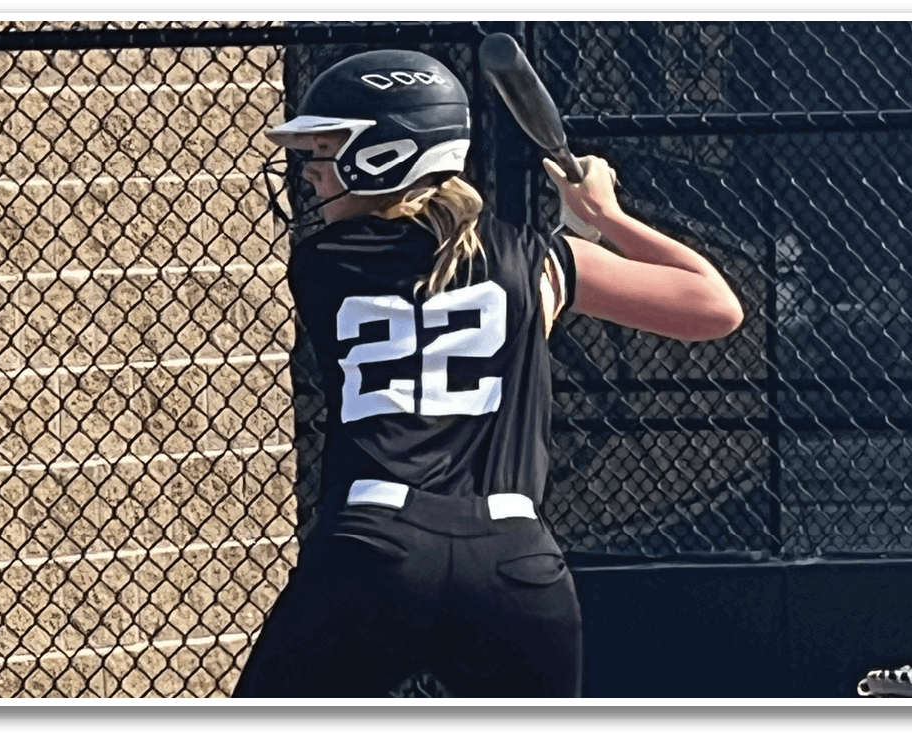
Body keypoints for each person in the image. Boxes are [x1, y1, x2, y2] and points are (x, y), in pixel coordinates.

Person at [232, 48, 743, 699]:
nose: (311, 176)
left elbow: (445, 300)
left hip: (375, 551)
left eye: (326, 152)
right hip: (514, 564)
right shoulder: (535, 262)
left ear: (384, 156)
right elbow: (715, 306)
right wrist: (604, 217)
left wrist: (571, 237)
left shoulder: (323, 262)